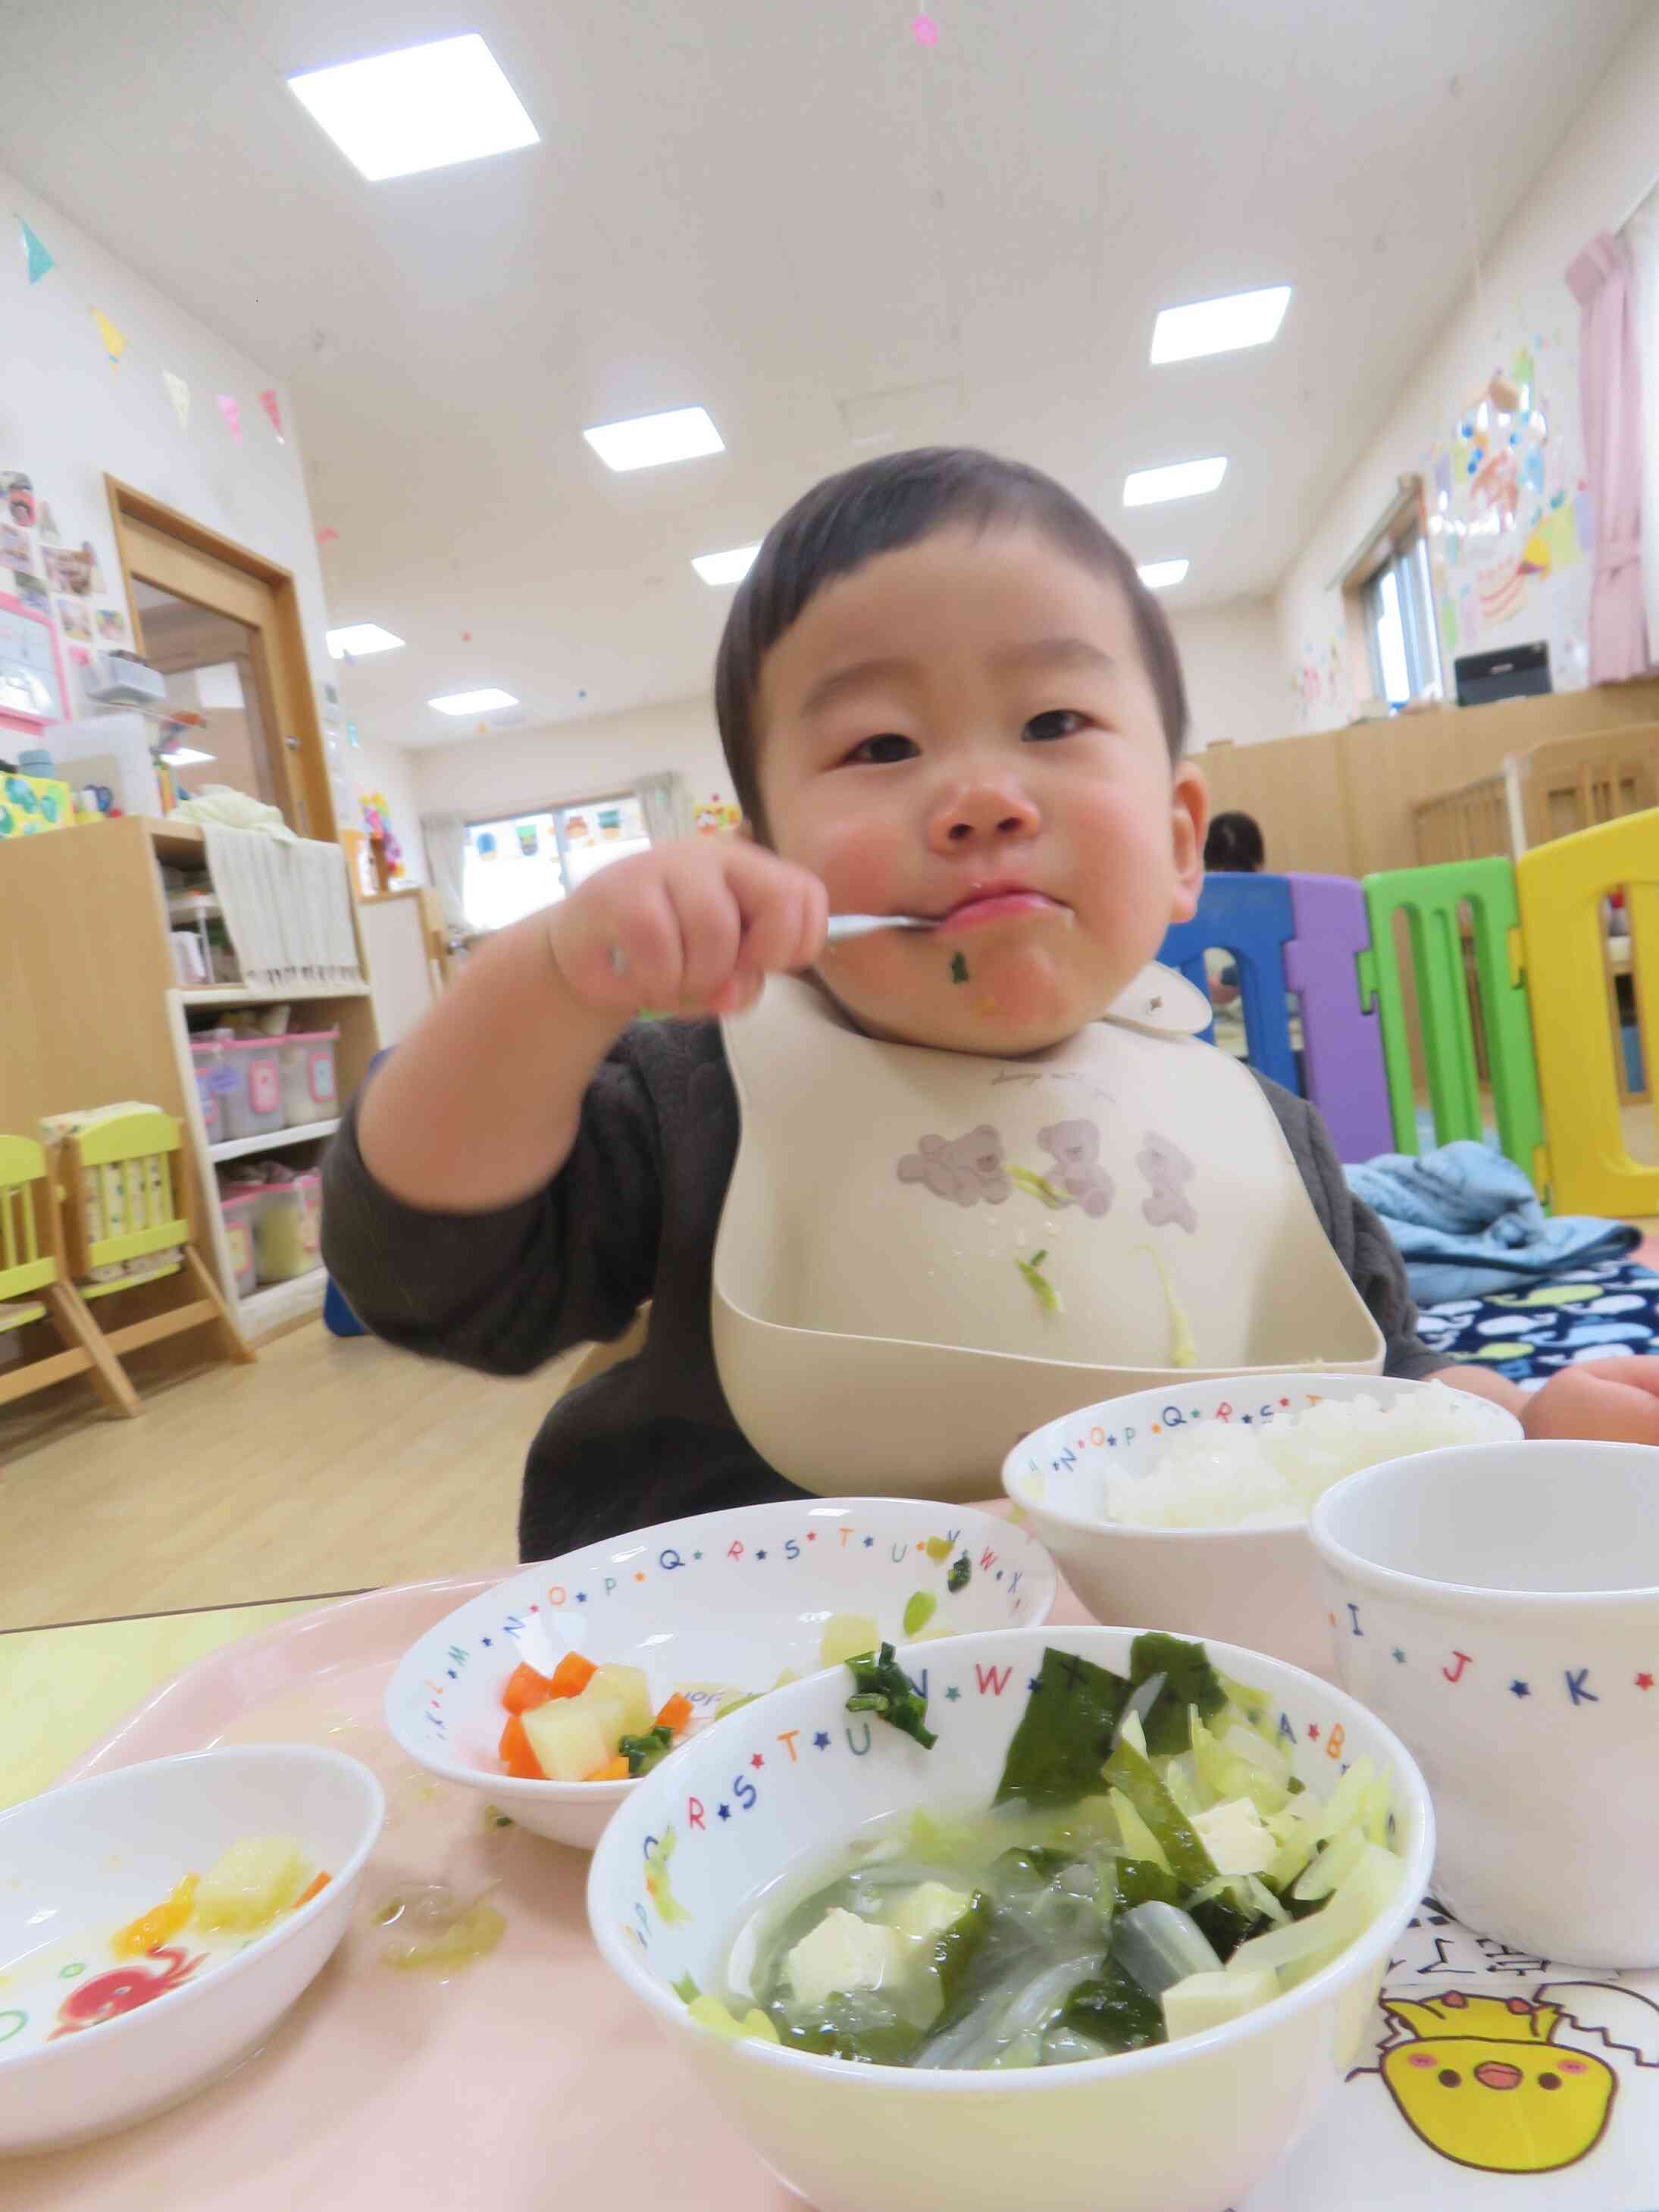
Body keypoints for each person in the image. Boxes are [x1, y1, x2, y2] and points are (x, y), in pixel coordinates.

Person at [323, 448, 1659, 1558]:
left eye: (1054, 723)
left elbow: (1371, 1389)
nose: (979, 797)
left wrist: (1511, 1423)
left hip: (1186, 1723)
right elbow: (428, 1266)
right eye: (880, 747)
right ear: (764, 851)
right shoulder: (697, 1100)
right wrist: (547, 981)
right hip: (746, 1719)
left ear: (1183, 839)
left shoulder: (1257, 1131)